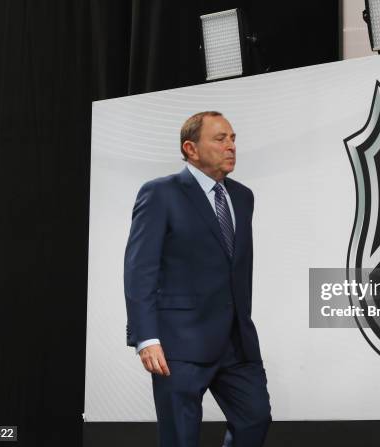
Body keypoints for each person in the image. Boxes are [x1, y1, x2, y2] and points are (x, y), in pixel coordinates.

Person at [124, 111, 271, 447]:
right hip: (179, 343)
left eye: (233, 138)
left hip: (236, 341)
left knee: (255, 419)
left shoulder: (243, 197)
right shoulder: (160, 193)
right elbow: (139, 268)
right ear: (190, 148)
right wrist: (146, 337)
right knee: (180, 439)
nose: (231, 146)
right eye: (220, 139)